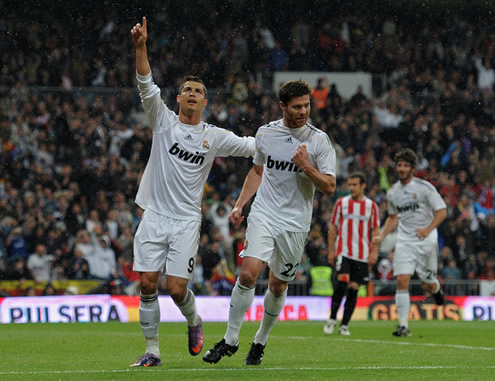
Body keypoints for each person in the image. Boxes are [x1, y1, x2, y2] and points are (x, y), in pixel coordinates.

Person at [129, 17, 255, 367]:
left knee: (177, 289)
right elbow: (145, 83)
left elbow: (250, 146)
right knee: (148, 284)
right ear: (179, 97)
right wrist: (141, 46)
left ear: (205, 101)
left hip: (186, 220)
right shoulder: (163, 120)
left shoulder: (213, 136)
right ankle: (152, 351)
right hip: (154, 214)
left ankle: (194, 320)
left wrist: (285, 141)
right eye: (187, 90)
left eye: (198, 91)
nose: (192, 94)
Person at [203, 79, 336, 366]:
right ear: (283, 106)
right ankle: (230, 339)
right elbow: (257, 171)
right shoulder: (265, 134)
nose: (303, 111)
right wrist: (240, 204)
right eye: (297, 106)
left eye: (306, 106)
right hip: (264, 213)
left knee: (278, 286)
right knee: (249, 274)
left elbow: (329, 186)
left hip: (295, 223)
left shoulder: (319, 141)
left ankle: (260, 341)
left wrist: (306, 166)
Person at [373, 148, 446, 337]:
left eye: (406, 165)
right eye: (399, 165)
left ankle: (436, 289)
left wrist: (428, 230)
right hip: (405, 240)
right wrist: (381, 234)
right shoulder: (393, 192)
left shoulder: (425, 188)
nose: (402, 168)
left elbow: (442, 212)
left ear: (413, 168)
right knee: (402, 279)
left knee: (427, 283)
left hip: (426, 240)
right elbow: (393, 217)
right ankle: (403, 326)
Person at [323, 171, 380, 336]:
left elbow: (375, 230)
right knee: (342, 281)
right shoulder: (342, 204)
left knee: (354, 288)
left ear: (363, 186)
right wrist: (331, 250)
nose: (352, 188)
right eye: (350, 185)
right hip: (344, 251)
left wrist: (374, 252)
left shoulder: (371, 206)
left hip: (362, 254)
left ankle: (344, 325)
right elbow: (333, 227)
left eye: (355, 185)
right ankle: (332, 318)